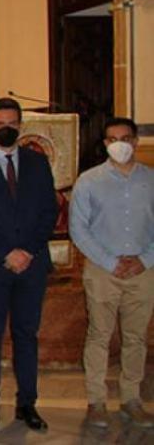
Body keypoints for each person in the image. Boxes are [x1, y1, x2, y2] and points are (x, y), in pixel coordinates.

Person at [0, 98, 58, 431]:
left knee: (26, 335)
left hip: (31, 264)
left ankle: (26, 404)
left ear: (20, 126)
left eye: (12, 123)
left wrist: (28, 250)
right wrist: (8, 251)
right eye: (0, 122)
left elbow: (50, 210)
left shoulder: (37, 162)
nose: (6, 128)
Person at [70, 117, 154, 429]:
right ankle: (96, 402)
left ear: (135, 142)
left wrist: (144, 260)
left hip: (143, 271)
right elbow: (79, 229)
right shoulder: (89, 181)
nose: (119, 143)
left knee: (136, 338)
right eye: (112, 138)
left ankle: (132, 400)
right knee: (99, 336)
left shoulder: (151, 179)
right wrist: (110, 261)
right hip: (103, 270)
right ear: (105, 144)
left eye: (125, 137)